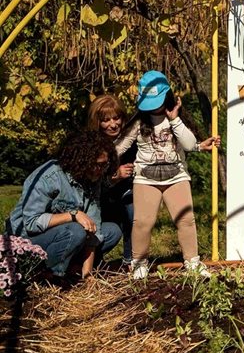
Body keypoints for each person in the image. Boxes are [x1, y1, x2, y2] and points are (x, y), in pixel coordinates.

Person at [115, 70, 220, 279]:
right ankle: (139, 263)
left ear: (168, 97)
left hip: (177, 177)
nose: (154, 107)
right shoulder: (139, 122)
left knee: (186, 220)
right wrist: (102, 158)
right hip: (145, 179)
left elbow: (189, 144)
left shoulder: (176, 119)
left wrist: (175, 120)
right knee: (142, 222)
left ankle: (192, 262)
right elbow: (119, 147)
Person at [6, 131, 122, 279]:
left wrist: (87, 274)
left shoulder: (94, 178)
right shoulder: (49, 177)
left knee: (112, 231)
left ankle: (74, 267)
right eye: (98, 165)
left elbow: (94, 226)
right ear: (82, 161)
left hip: (64, 234)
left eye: (105, 165)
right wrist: (72, 215)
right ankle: (52, 275)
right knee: (75, 231)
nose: (101, 170)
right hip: (27, 239)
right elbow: (31, 223)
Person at [88, 94, 136, 267]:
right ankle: (91, 259)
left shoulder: (131, 140)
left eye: (116, 118)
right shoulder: (91, 145)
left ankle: (131, 260)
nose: (113, 124)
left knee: (132, 211)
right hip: (99, 198)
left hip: (127, 192)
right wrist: (114, 177)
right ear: (97, 121)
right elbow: (90, 184)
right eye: (106, 120)